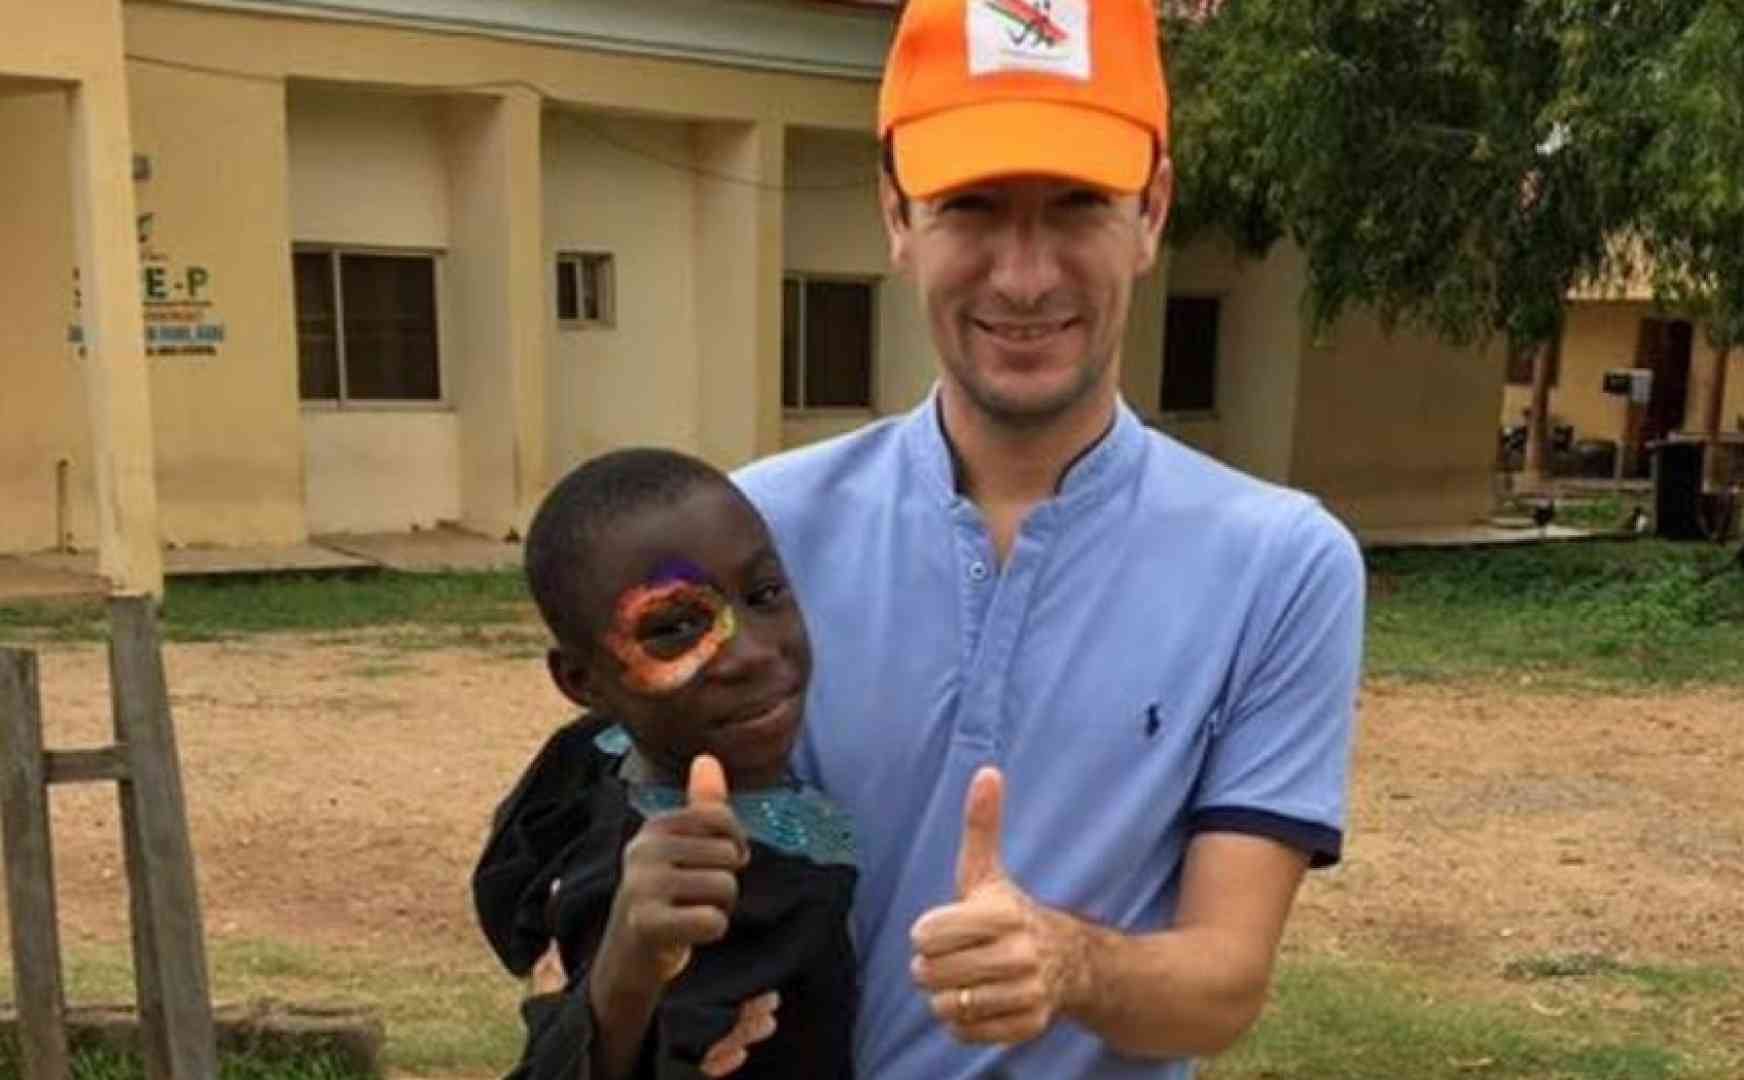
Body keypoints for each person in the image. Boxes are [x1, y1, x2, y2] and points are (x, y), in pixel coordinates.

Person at [730, 0, 1365, 1076]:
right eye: (971, 207)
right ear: (896, 215)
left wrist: (1067, 963)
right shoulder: (756, 535)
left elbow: (1223, 984)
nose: (1023, 278)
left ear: (1151, 212)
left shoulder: (1280, 565)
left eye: (1077, 204)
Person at [473, 448, 858, 1079]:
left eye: (764, 594)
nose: (751, 653)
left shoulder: (598, 751)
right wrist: (624, 975)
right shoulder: (698, 896)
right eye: (675, 628)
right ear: (582, 680)